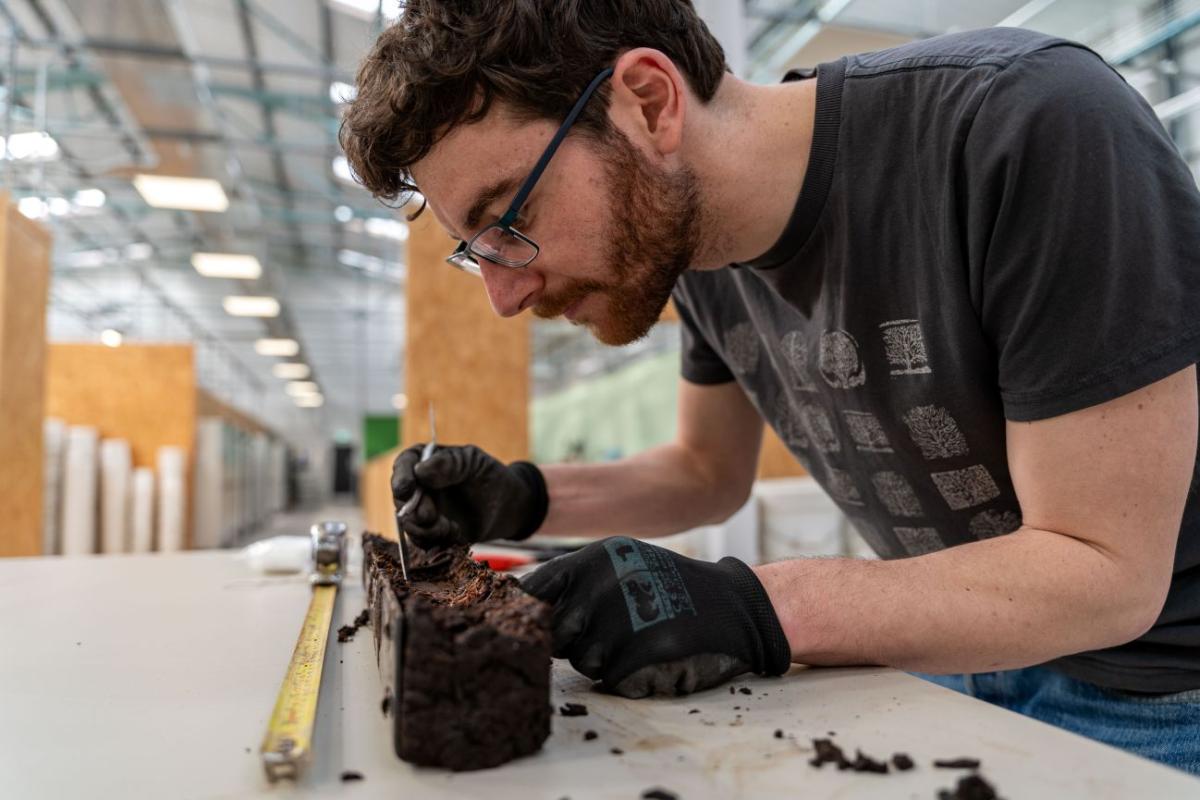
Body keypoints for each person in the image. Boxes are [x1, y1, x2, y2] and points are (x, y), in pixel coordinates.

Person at [340, 1, 1200, 773]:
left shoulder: (1022, 123)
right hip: (964, 649)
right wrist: (520, 499)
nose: (504, 295)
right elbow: (704, 472)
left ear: (648, 102)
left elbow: (1108, 571)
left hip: (1165, 686)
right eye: (477, 251)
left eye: (511, 218)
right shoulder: (691, 249)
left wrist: (754, 603)